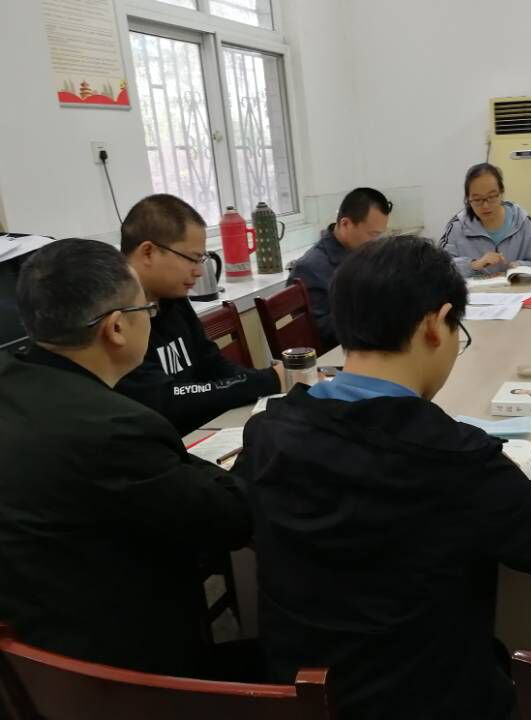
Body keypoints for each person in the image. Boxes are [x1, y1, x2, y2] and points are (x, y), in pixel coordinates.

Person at [238, 236, 531, 719]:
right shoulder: (455, 456)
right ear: (434, 324)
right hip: (431, 701)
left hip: (303, 701)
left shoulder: (267, 431)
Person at [0, 239, 252, 677]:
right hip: (118, 673)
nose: (151, 319)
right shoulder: (115, 428)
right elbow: (233, 518)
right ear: (116, 328)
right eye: (147, 310)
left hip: (29, 653)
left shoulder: (12, 378)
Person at [116, 194, 282, 435]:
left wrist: (275, 379)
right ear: (148, 252)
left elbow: (212, 364)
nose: (198, 272)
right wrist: (267, 380)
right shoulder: (118, 319)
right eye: (192, 259)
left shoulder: (172, 298)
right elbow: (166, 399)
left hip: (206, 430)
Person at [287, 187, 392, 350]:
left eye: (380, 235)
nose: (376, 242)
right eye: (373, 234)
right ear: (345, 224)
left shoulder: (361, 253)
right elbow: (321, 334)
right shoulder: (310, 269)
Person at [440, 163, 531, 277]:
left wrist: (519, 266)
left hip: (516, 288)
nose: (485, 205)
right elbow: (440, 268)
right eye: (477, 199)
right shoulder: (457, 226)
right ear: (468, 199)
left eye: (492, 197)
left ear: (501, 193)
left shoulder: (522, 221)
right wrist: (474, 265)